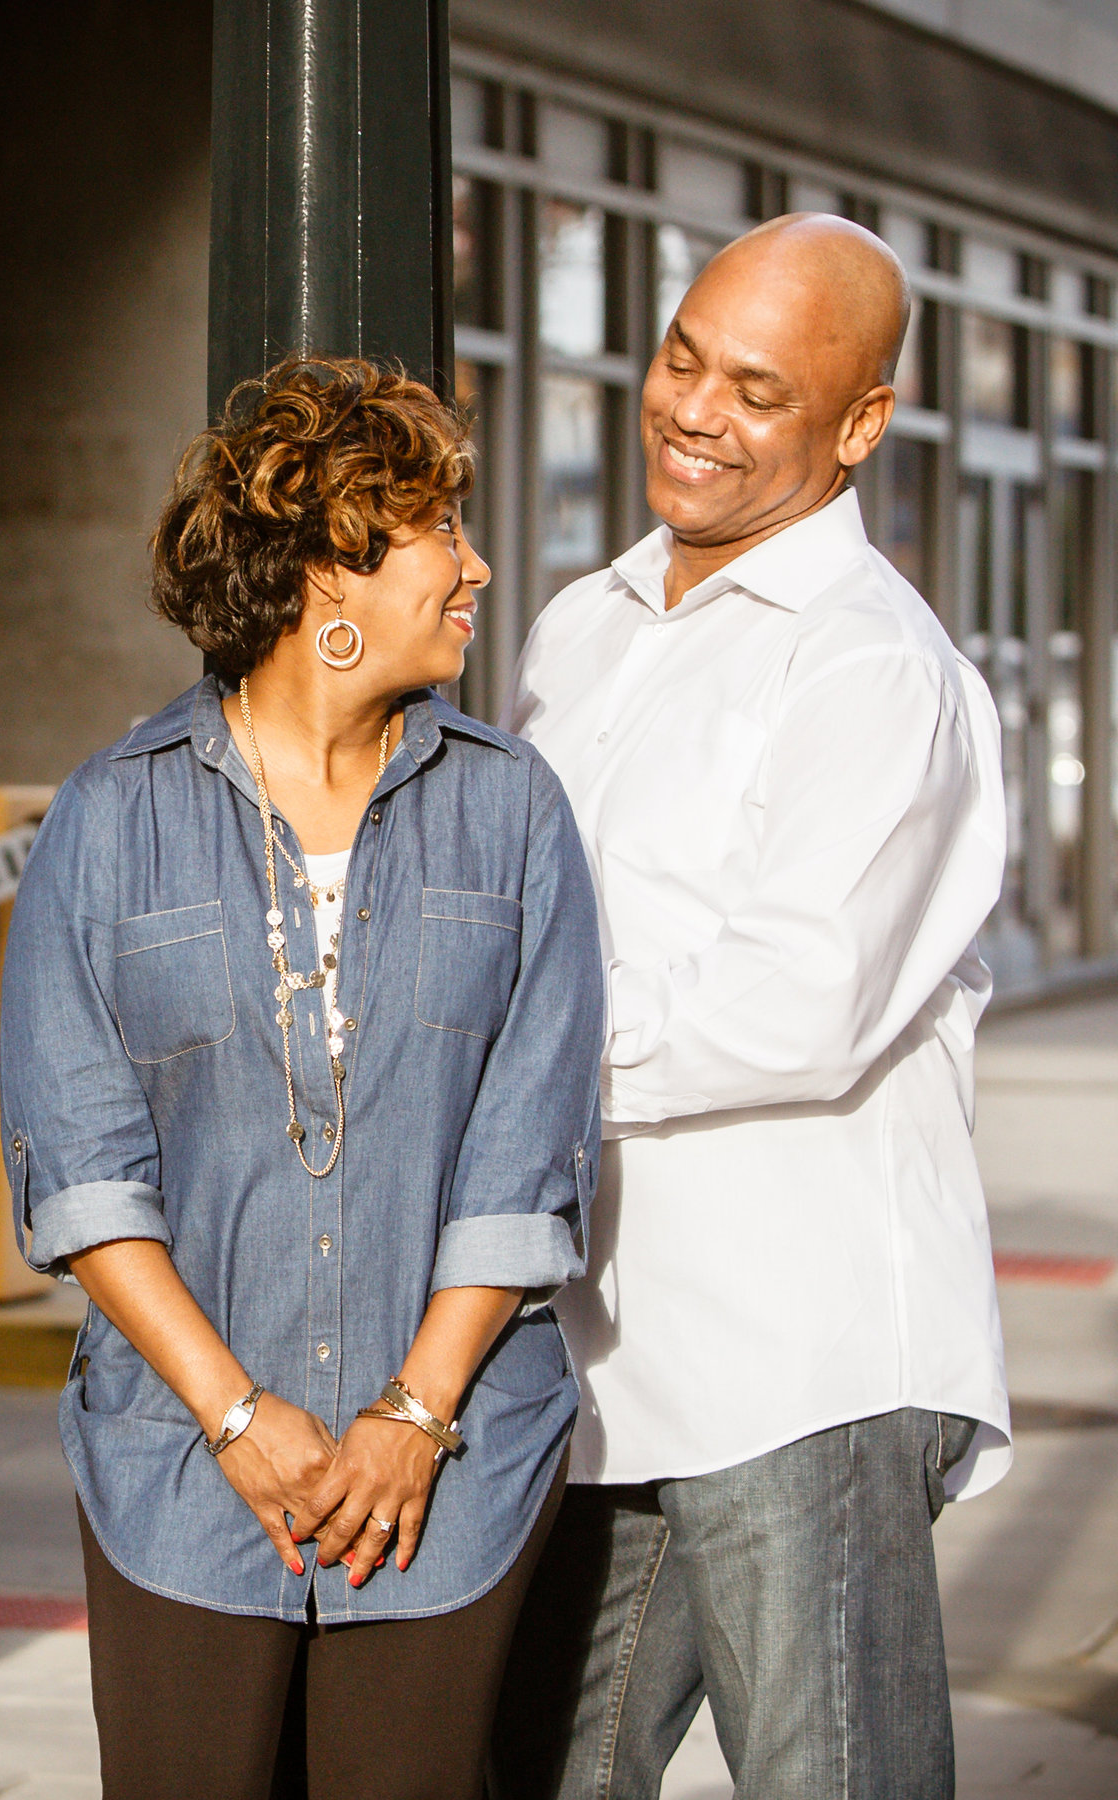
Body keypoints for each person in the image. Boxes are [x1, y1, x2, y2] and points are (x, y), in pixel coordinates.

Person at [0, 357, 603, 1800]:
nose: (480, 567)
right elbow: (81, 1168)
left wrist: (412, 1415)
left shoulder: (511, 811)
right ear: (331, 575)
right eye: (440, 533)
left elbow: (528, 1149)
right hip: (179, 1467)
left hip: (447, 1475)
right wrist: (234, 1415)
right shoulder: (110, 819)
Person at [491, 215, 1010, 1800]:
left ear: (859, 425)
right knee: (535, 1773)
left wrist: (510, 1063)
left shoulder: (874, 668)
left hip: (806, 1362)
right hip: (600, 1352)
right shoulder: (580, 627)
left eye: (759, 391)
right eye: (681, 358)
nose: (695, 410)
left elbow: (801, 1003)